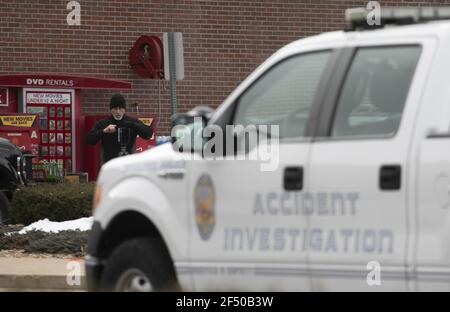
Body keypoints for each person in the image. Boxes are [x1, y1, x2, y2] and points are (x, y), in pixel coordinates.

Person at [86, 93, 153, 164]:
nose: (118, 112)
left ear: (124, 109)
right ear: (111, 110)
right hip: (109, 165)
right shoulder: (103, 123)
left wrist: (131, 125)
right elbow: (89, 140)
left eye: (120, 108)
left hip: (129, 165)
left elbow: (148, 134)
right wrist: (104, 131)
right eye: (115, 109)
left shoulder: (132, 121)